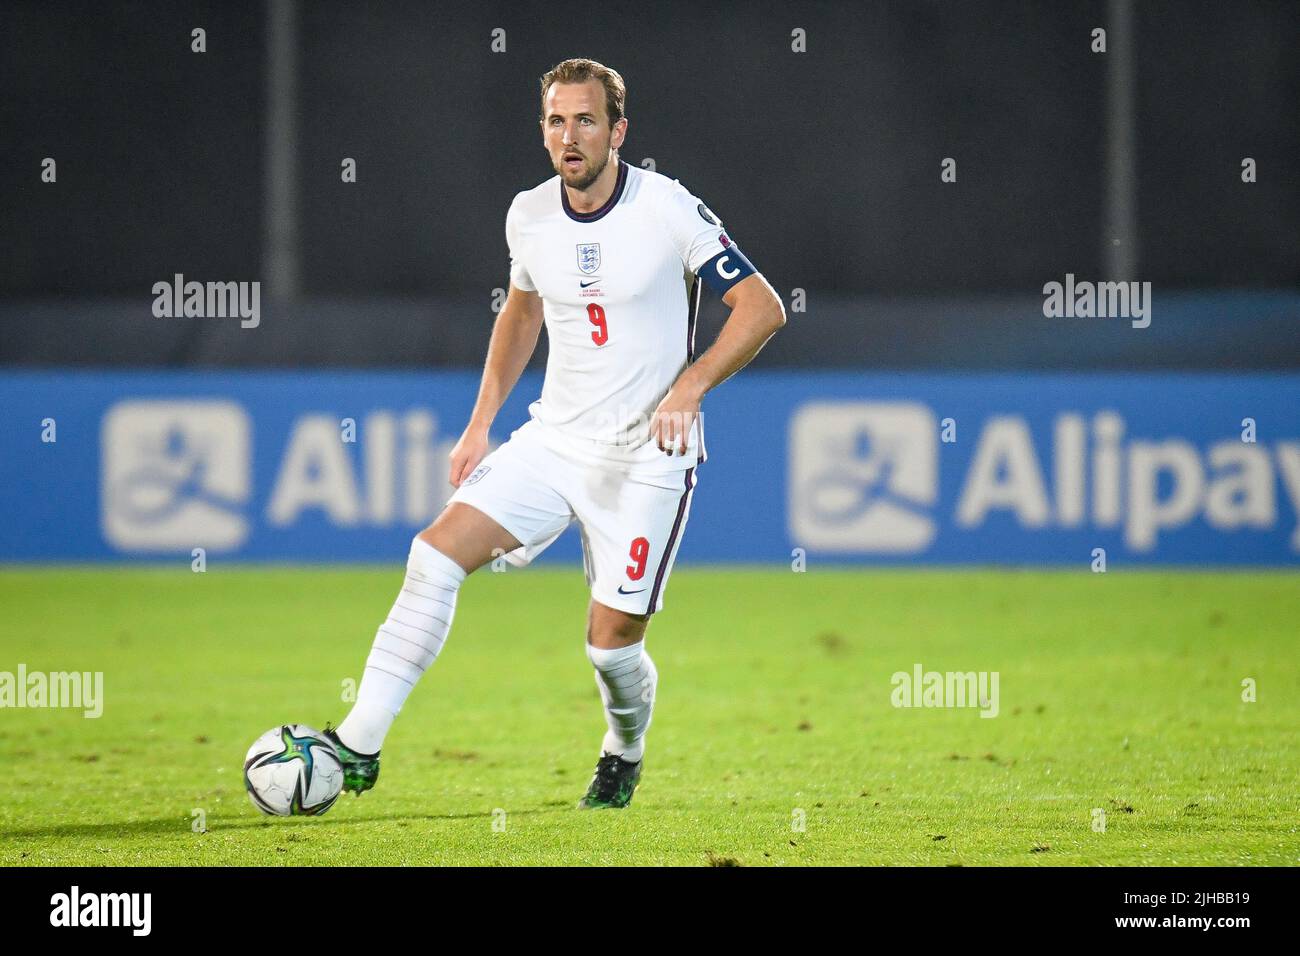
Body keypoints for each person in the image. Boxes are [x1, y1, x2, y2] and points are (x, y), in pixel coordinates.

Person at [326, 57, 785, 809]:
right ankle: (359, 743)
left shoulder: (668, 208)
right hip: (555, 441)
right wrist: (481, 424)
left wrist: (691, 385)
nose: (569, 136)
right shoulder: (529, 213)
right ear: (543, 131)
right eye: (555, 121)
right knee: (433, 557)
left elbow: (763, 307)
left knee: (609, 650)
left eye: (585, 120)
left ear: (617, 131)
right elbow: (522, 311)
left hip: (646, 458)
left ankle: (623, 749)